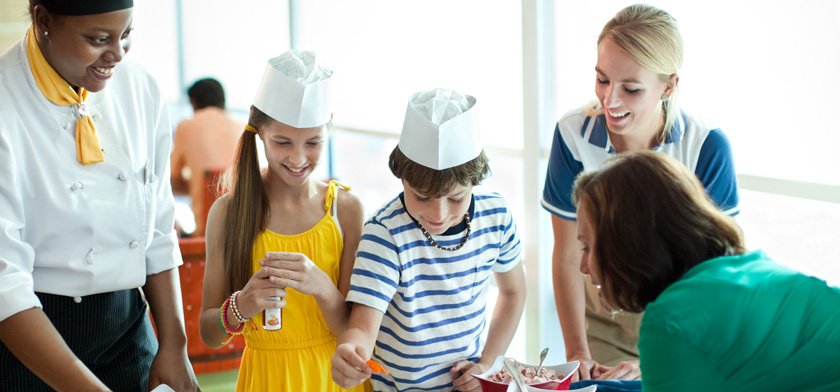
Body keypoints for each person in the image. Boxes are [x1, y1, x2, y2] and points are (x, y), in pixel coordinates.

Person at [0, 0, 199, 391]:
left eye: (126, 35)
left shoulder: (142, 90)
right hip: (12, 342)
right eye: (97, 39)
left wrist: (175, 344)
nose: (117, 54)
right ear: (43, 21)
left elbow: (157, 228)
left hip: (120, 328)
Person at [541, 4, 739, 381]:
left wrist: (660, 357)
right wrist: (577, 352)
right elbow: (568, 254)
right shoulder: (572, 135)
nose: (610, 101)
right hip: (605, 311)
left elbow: (720, 273)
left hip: (684, 314)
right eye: (602, 80)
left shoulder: (706, 147)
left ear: (668, 86)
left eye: (631, 89)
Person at [573, 151, 840, 391]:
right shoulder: (745, 267)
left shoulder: (670, 321)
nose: (583, 267)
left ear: (627, 245)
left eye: (587, 247)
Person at [331, 88, 527, 391]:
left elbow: (513, 292)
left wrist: (488, 363)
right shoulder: (385, 235)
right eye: (422, 197)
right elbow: (361, 326)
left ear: (475, 181)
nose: (439, 213)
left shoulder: (496, 216)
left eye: (456, 198)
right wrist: (352, 349)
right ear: (401, 178)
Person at [199, 50, 369, 392]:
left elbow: (353, 327)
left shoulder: (346, 210)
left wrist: (321, 286)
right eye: (282, 142)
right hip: (265, 379)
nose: (298, 157)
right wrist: (242, 304)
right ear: (260, 133)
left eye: (313, 143)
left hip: (332, 378)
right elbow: (209, 334)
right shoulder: (228, 213)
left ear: (328, 132)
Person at [170, 77, 244, 237]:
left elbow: (173, 178)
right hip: (246, 224)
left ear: (194, 102)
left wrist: (201, 185)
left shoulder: (187, 126)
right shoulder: (241, 127)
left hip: (207, 230)